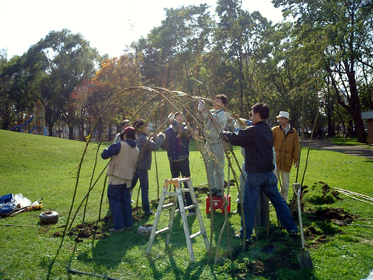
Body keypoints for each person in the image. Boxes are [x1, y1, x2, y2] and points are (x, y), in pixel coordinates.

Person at [221, 103, 298, 246]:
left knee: (249, 205)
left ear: (257, 115)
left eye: (252, 113)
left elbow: (236, 137)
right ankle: (292, 229)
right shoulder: (268, 131)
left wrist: (223, 134)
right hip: (269, 174)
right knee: (279, 203)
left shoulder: (252, 131)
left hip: (255, 175)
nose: (251, 115)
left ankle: (246, 235)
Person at [101, 126, 139, 232]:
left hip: (117, 178)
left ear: (125, 135)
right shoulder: (136, 149)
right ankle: (128, 224)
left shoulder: (119, 145)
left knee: (115, 202)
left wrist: (110, 146)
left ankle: (118, 226)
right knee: (126, 202)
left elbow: (104, 155)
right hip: (127, 179)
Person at [162, 112, 195, 217]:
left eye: (181, 116)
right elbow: (167, 143)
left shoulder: (186, 128)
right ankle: (181, 207)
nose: (180, 118)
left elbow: (184, 133)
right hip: (172, 160)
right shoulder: (169, 130)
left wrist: (177, 127)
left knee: (186, 183)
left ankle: (191, 208)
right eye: (178, 116)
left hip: (183, 159)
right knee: (177, 184)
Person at [130, 119, 164, 216]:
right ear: (140, 128)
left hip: (139, 165)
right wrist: (161, 137)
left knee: (130, 185)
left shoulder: (142, 137)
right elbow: (153, 146)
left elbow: (149, 144)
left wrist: (153, 138)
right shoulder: (141, 138)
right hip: (141, 166)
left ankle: (121, 202)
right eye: (145, 126)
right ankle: (147, 211)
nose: (147, 127)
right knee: (144, 189)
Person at [198, 94, 228, 198]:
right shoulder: (210, 112)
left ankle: (220, 189)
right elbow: (203, 118)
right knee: (209, 167)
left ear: (223, 104)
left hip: (218, 143)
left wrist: (205, 109)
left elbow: (214, 120)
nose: (215, 102)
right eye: (214, 100)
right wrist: (200, 110)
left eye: (218, 101)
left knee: (219, 167)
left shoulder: (223, 114)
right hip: (208, 143)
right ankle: (212, 188)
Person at [272, 111, 300, 201]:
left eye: (282, 118)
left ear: (287, 120)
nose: (280, 120)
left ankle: (284, 198)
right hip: (276, 159)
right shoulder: (274, 130)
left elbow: (296, 146)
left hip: (287, 160)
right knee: (274, 181)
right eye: (279, 118)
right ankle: (274, 198)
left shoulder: (293, 131)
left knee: (285, 183)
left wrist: (296, 158)